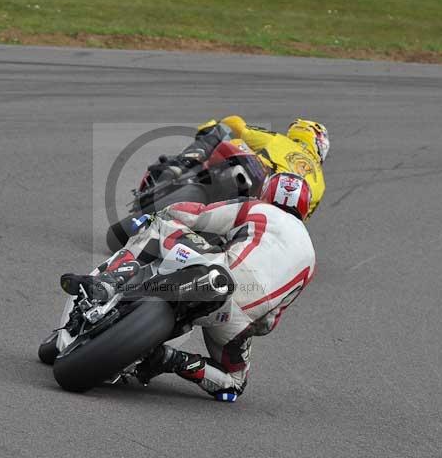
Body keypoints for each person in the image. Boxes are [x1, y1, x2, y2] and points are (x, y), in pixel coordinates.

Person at [68, 172, 317, 402]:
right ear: (305, 209)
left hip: (219, 271)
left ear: (267, 192)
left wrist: (161, 213)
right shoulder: (311, 258)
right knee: (233, 384)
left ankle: (109, 282)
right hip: (237, 320)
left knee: (161, 223)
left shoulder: (258, 207)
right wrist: (243, 325)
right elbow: (270, 321)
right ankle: (172, 359)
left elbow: (198, 214)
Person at [159, 115, 329, 219]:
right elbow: (301, 217)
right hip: (272, 214)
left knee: (229, 138)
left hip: (256, 175)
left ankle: (183, 164)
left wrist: (213, 126)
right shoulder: (320, 183)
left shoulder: (280, 140)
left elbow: (238, 125)